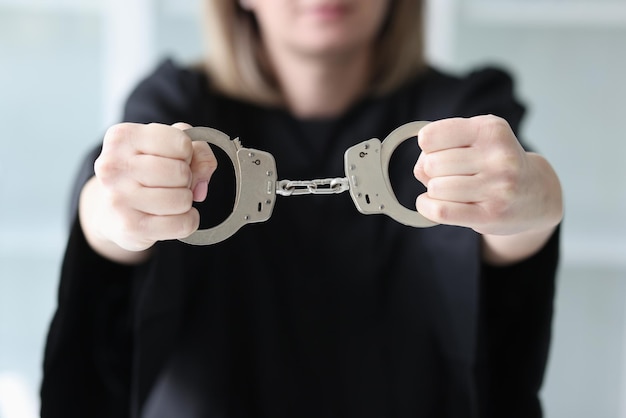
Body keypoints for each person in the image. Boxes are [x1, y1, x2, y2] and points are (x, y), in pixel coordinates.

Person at [41, 1, 563, 417]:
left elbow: (506, 230)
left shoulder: (457, 116)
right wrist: (114, 212)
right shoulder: (178, 111)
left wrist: (536, 197)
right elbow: (104, 227)